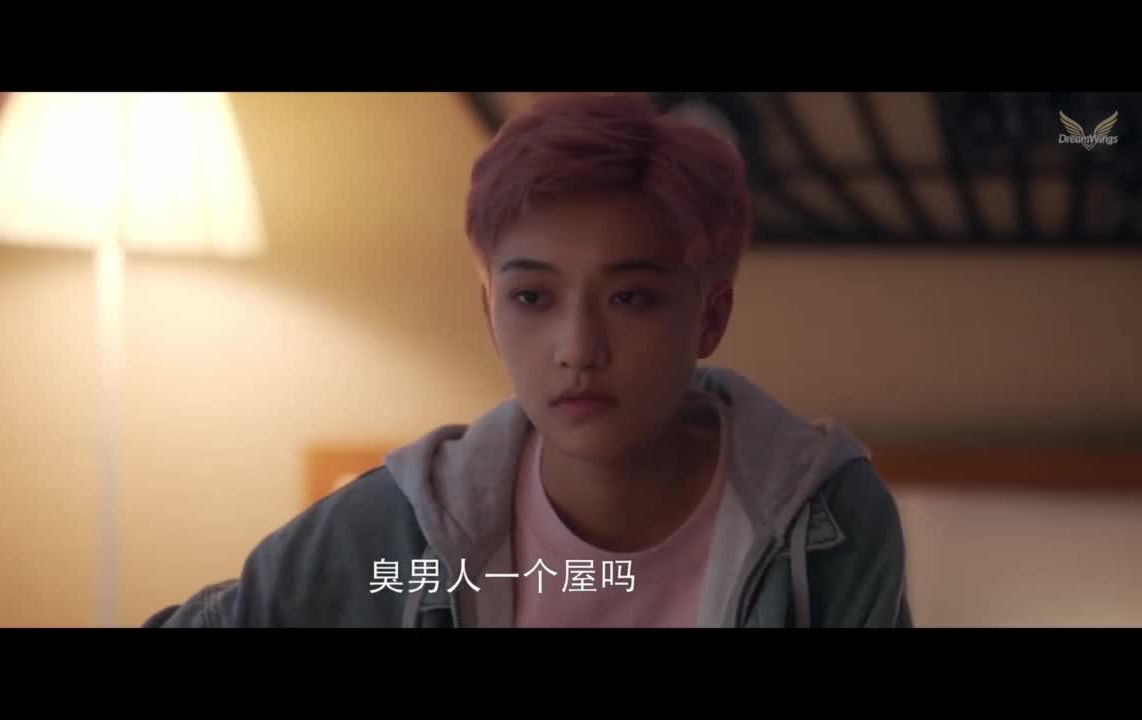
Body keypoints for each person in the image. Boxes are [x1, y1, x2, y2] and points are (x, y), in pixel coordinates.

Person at [144, 92, 912, 628]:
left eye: (631, 298)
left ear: (710, 316)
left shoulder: (825, 522)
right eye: (533, 298)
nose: (578, 351)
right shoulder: (408, 525)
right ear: (490, 314)